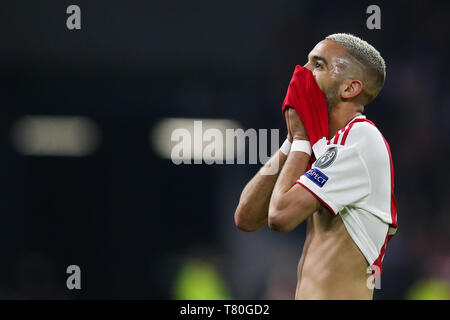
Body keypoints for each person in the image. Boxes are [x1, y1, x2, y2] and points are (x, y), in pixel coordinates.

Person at [234, 33, 397, 299]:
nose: (303, 73)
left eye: (318, 65)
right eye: (307, 62)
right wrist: (292, 141)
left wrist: (299, 141)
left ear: (349, 88)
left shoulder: (359, 140)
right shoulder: (325, 146)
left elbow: (280, 217)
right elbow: (246, 217)